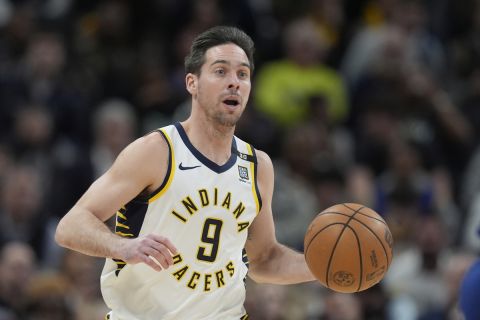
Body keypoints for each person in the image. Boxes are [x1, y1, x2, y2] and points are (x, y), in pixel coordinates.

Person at [55, 25, 315, 320]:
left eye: (242, 74)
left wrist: (327, 267)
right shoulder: (157, 151)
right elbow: (71, 226)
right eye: (220, 71)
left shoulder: (258, 166)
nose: (234, 82)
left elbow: (264, 260)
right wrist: (122, 246)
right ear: (192, 83)